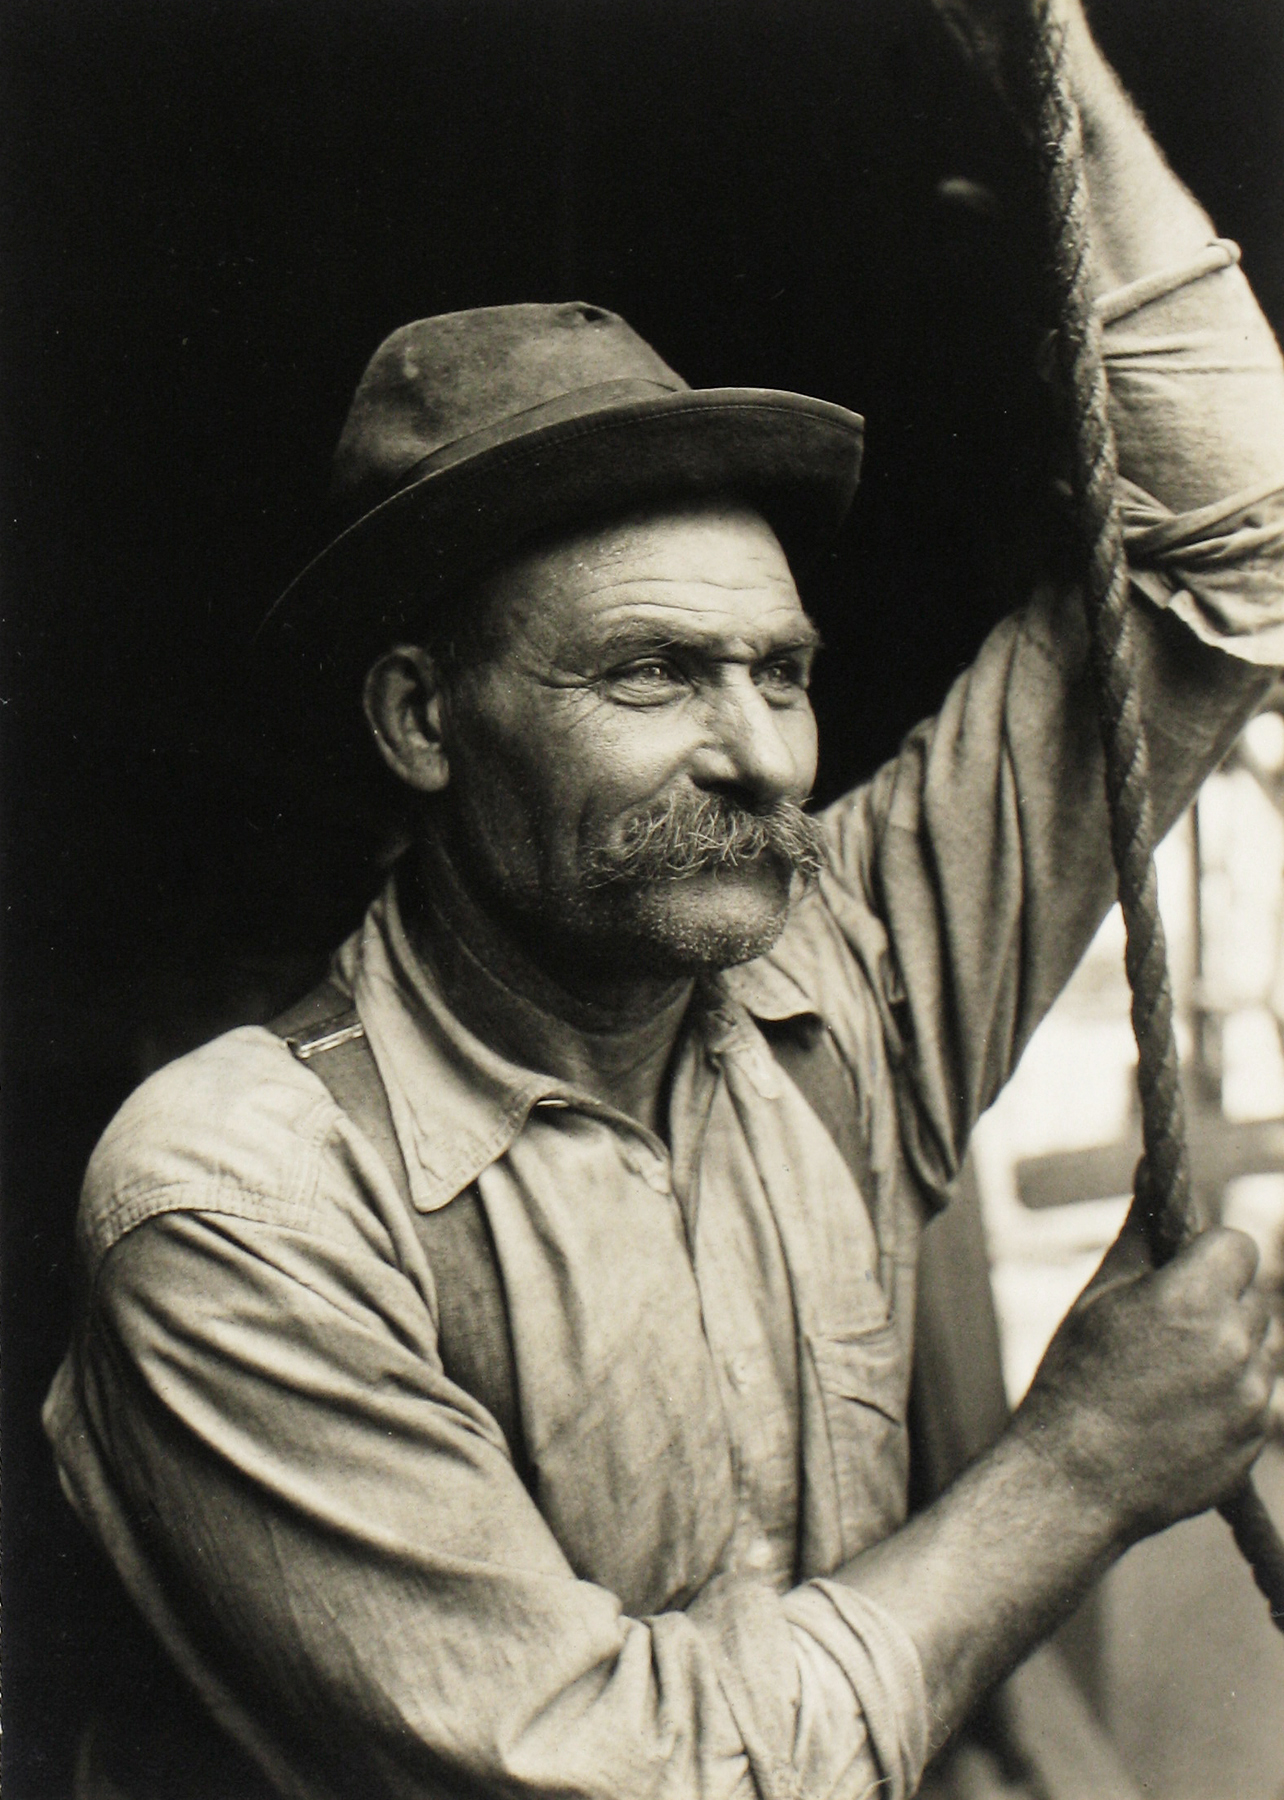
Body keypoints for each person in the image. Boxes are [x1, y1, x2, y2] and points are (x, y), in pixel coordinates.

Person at [44, 4, 1284, 1797]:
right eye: (653, 676)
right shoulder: (237, 1206)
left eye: (781, 675)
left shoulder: (837, 976)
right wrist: (1078, 1468)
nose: (763, 757)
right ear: (420, 720)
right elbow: (645, 1776)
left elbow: (1233, 529)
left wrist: (1043, 52)